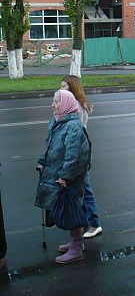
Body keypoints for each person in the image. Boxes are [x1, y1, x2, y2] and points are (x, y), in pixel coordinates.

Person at [35, 90, 91, 264]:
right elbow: (50, 146)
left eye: (57, 102)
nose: (53, 105)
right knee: (68, 211)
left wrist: (65, 176)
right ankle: (75, 243)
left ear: (66, 104)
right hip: (57, 174)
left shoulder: (73, 127)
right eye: (53, 101)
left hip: (69, 179)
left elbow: (75, 156)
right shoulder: (57, 122)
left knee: (71, 211)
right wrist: (42, 161)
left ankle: (76, 249)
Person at [60, 75, 103, 239]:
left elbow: (75, 133)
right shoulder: (76, 104)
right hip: (79, 151)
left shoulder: (76, 107)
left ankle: (94, 224)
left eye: (64, 86)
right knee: (81, 189)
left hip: (79, 153)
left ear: (72, 88)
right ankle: (86, 223)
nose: (60, 89)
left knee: (85, 189)